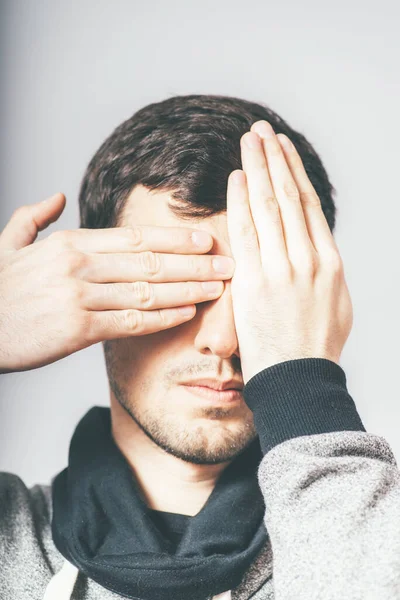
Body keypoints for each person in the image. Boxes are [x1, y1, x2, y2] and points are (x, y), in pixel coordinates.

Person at [0, 94, 399, 600]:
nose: (223, 340)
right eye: (180, 286)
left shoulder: (376, 528)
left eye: (262, 293)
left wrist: (305, 386)